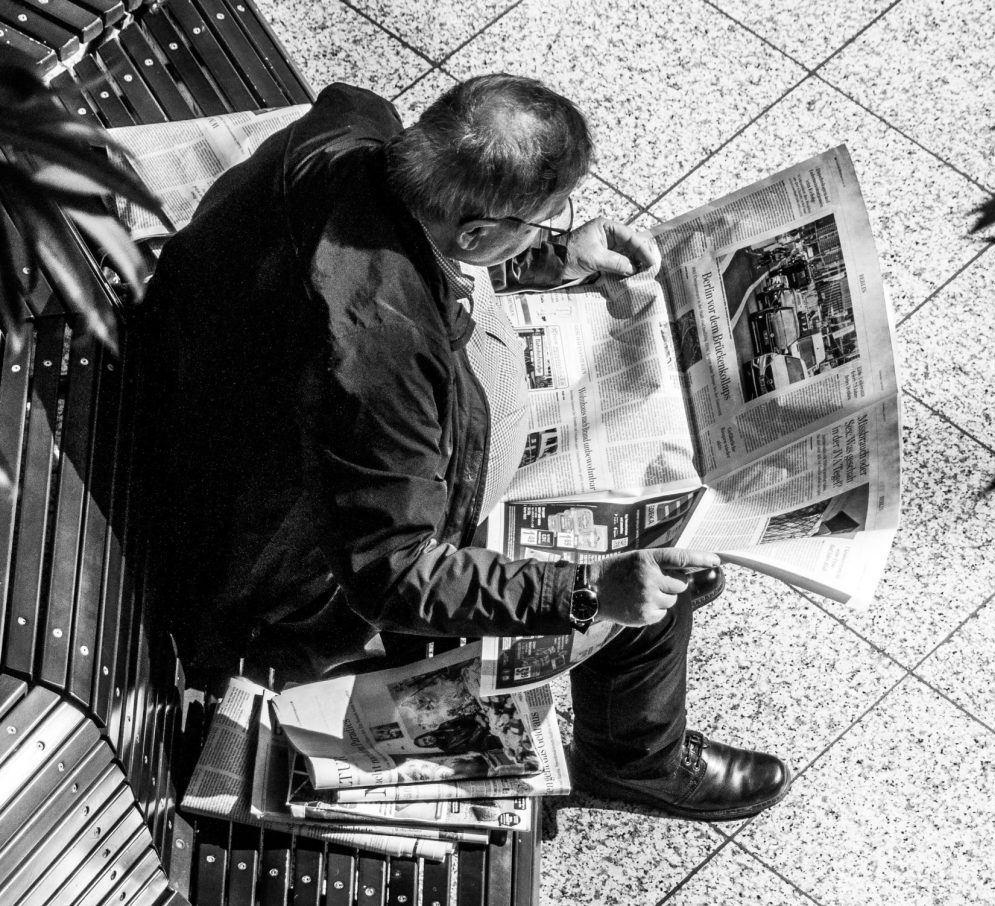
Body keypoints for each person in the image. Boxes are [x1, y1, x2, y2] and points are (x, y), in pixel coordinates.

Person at [139, 73, 792, 821]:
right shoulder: (378, 355)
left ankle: (633, 719)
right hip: (274, 589)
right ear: (477, 233)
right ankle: (635, 762)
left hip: (215, 414)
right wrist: (584, 592)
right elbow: (394, 577)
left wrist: (541, 263)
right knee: (656, 578)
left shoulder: (347, 133)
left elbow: (415, 252)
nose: (548, 229)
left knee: (661, 548)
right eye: (539, 221)